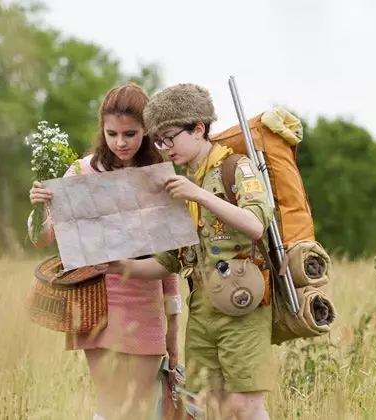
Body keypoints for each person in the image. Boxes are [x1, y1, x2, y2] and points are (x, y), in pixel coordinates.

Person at [106, 83, 275, 420]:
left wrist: (199, 196)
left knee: (244, 405)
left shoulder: (235, 168)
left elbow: (256, 224)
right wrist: (115, 266)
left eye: (170, 137)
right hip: (201, 311)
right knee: (204, 407)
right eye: (159, 141)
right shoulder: (180, 182)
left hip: (242, 305)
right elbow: (168, 262)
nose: (165, 148)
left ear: (198, 129)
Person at [27, 83, 182, 420]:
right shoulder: (82, 172)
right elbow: (43, 237)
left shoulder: (160, 180)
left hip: (144, 302)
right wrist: (39, 208)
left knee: (137, 407)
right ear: (102, 129)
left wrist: (173, 331)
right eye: (112, 133)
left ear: (147, 131)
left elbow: (170, 265)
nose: (121, 142)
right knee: (111, 404)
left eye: (130, 133)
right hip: (94, 300)